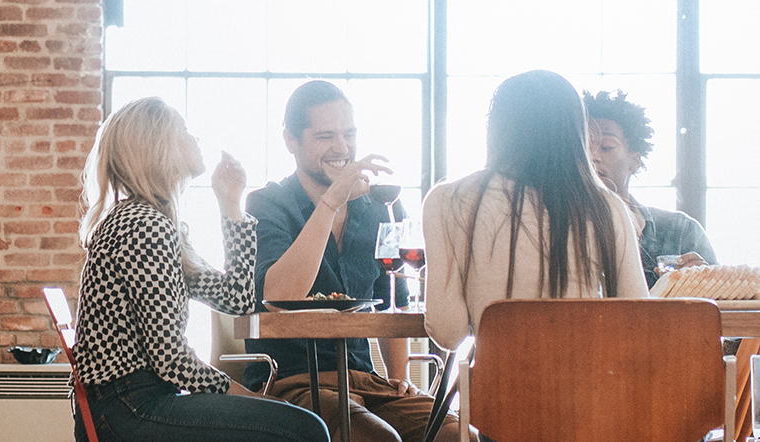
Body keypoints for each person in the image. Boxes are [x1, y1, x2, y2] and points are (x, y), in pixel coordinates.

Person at [74, 97, 330, 442]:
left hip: (135, 402)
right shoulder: (143, 226)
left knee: (300, 424)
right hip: (130, 407)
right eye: (184, 130)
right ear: (157, 146)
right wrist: (242, 392)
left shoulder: (158, 223)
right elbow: (170, 359)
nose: (195, 139)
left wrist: (230, 205)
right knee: (305, 429)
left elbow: (237, 300)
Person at [243, 80, 465, 442]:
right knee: (378, 438)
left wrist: (401, 379)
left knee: (458, 435)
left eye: (349, 134)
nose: (342, 148)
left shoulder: (377, 206)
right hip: (292, 381)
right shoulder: (268, 205)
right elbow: (278, 296)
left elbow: (393, 302)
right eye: (325, 136)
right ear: (290, 141)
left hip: (367, 381)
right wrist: (331, 201)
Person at [423, 70, 650, 354]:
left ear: (498, 129)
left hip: (496, 392)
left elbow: (448, 333)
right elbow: (638, 324)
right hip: (589, 392)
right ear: (575, 131)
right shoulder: (607, 205)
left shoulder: (447, 199)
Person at [583, 90, 718, 288]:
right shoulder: (557, 230)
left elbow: (722, 311)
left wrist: (705, 284)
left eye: (606, 147)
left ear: (634, 160)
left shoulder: (680, 231)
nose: (593, 157)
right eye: (584, 147)